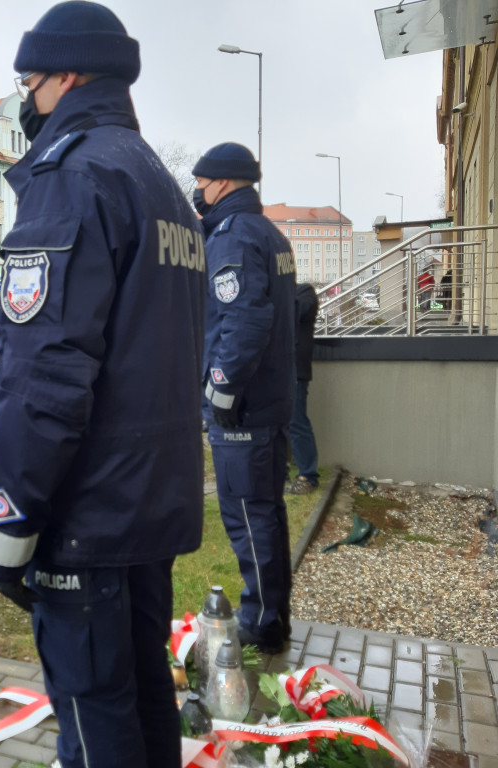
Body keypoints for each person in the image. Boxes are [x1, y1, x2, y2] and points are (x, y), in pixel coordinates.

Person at [0, 4, 207, 766]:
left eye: (30, 82)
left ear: (66, 74)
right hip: (148, 502)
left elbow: (46, 372)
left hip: (88, 513)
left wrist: (6, 516)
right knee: (144, 700)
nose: (28, 97)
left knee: (96, 719)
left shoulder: (72, 174)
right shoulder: (160, 183)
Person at [193, 141, 297, 656]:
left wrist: (221, 391)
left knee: (247, 513)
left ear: (224, 182)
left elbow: (244, 321)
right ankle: (275, 613)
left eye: (203, 181)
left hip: (245, 407)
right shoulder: (270, 233)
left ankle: (261, 619)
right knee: (268, 510)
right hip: (271, 401)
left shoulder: (232, 239)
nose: (199, 190)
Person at [288, 283, 319, 495]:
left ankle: (308, 476)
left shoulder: (304, 292)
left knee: (297, 423)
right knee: (275, 425)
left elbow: (293, 313)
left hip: (295, 372)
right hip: (275, 371)